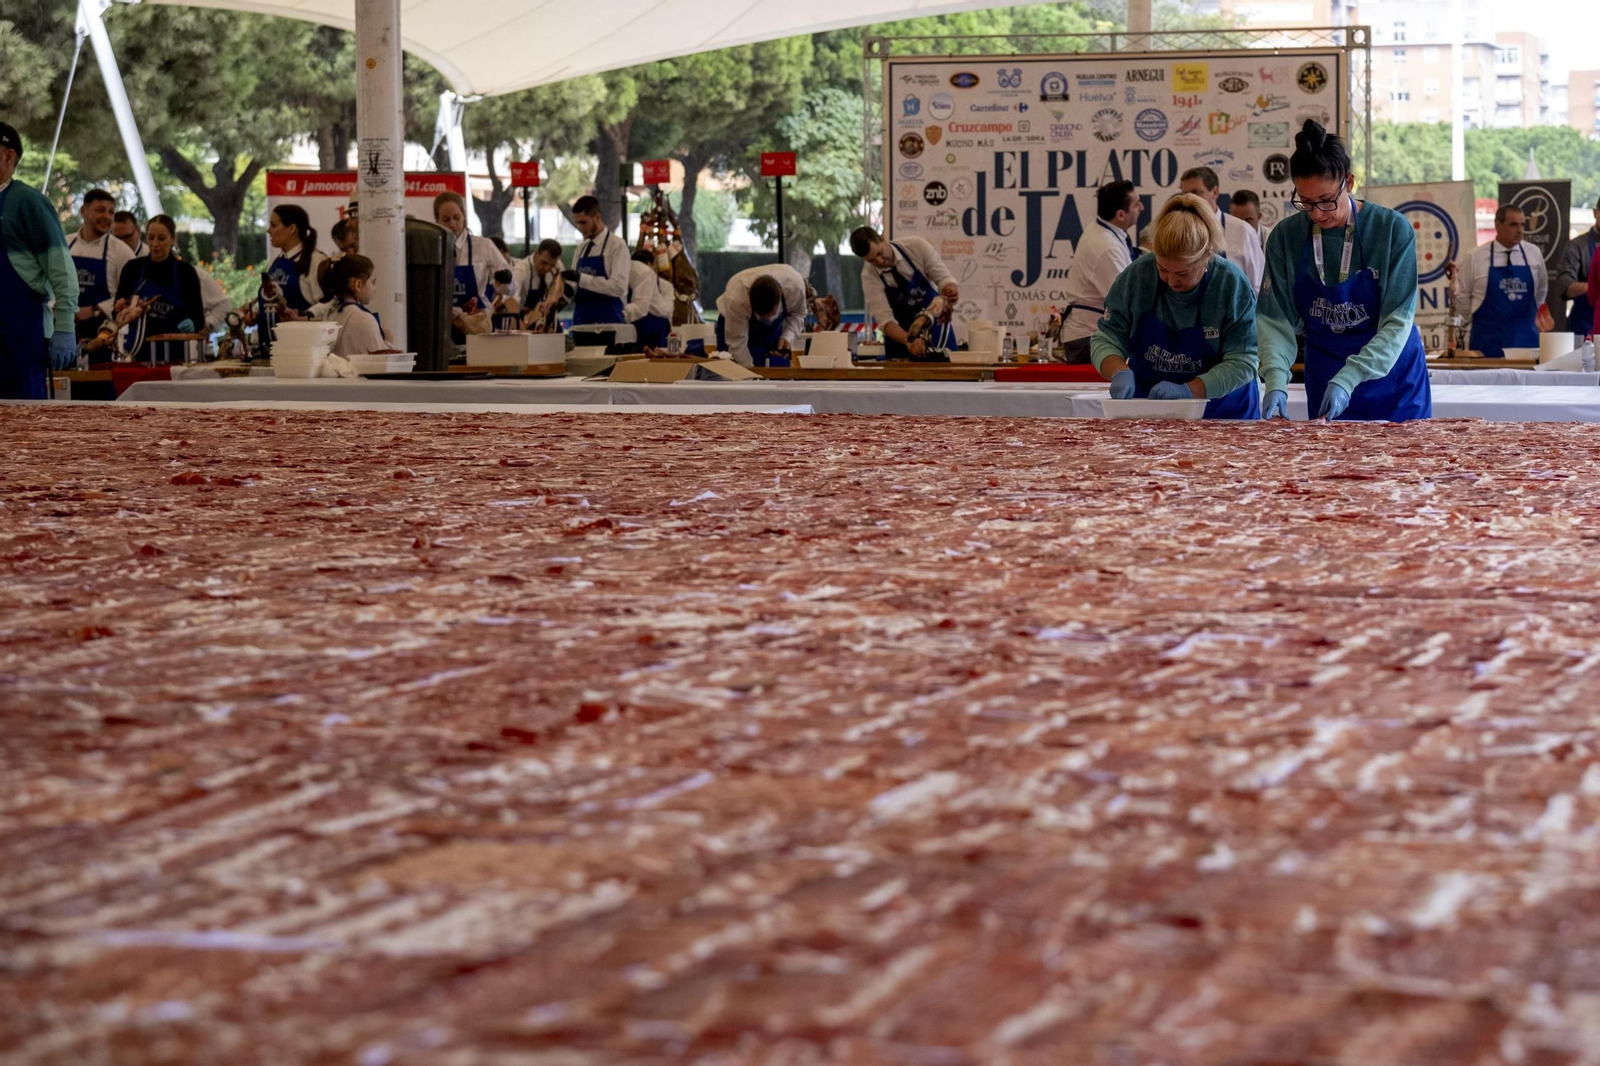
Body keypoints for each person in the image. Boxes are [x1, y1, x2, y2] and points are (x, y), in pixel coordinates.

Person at [1259, 120, 1430, 422]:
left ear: (1349, 183)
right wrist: (1275, 379)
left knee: (1404, 465)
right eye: (1306, 202)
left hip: (1393, 379)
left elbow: (1398, 320)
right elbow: (1275, 321)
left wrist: (1350, 376)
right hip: (1326, 372)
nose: (1316, 214)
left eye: (1326, 201)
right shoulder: (1286, 237)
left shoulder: (1391, 230)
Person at [1091, 194, 1259, 419]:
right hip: (1153, 405)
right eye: (1162, 269)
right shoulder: (1137, 278)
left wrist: (1188, 390)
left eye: (1182, 273)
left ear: (1207, 256)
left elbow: (1243, 360)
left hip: (1224, 407)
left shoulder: (1231, 285)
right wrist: (1118, 370)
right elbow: (1107, 338)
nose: (1171, 281)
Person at [0, 122, 78, 398]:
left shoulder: (27, 202)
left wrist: (66, 325)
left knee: (24, 427)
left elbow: (62, 270)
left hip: (22, 333)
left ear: (8, 157)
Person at [1059, 180, 1142, 364]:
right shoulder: (1106, 247)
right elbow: (1127, 304)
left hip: (1088, 337)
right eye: (1137, 204)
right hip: (1086, 341)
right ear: (1120, 214)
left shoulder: (1105, 234)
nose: (1142, 207)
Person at [1451, 204, 1547, 359]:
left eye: (1522, 224)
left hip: (1526, 342)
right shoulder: (1475, 257)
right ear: (1498, 225)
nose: (1520, 230)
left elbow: (1541, 291)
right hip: (1487, 342)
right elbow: (1462, 297)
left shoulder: (1533, 253)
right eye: (1514, 224)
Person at [851, 226, 959, 360]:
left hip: (936, 329)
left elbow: (944, 278)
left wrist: (950, 290)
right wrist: (909, 340)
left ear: (882, 238)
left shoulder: (916, 247)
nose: (879, 261)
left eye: (879, 253)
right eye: (871, 260)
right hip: (901, 340)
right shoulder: (869, 276)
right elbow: (885, 320)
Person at [111, 215, 207, 361]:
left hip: (175, 354)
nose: (155, 244)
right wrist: (120, 308)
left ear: (173, 239)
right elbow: (116, 313)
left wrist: (190, 325)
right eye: (151, 238)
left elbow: (199, 319)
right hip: (136, 353)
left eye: (161, 238)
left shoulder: (185, 272)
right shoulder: (133, 269)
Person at [433, 191, 512, 327]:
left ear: (464, 215)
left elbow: (509, 290)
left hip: (477, 324)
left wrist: (506, 279)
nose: (453, 224)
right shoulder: (432, 249)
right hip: (441, 324)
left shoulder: (484, 246)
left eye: (457, 217)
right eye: (446, 219)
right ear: (437, 220)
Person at [1179, 166, 1265, 292]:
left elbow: (1260, 286)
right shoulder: (1179, 232)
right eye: (1185, 194)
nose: (1190, 199)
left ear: (1214, 191)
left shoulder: (1242, 231)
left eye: (1197, 193)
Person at [66, 189, 136, 341]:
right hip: (63, 331)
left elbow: (129, 298)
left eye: (111, 212)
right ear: (83, 211)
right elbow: (48, 287)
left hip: (103, 336)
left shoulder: (122, 252)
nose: (107, 216)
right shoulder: (64, 245)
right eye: (100, 210)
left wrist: (93, 310)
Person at [715, 264, 808, 367]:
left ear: (781, 293)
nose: (766, 319)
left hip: (774, 330)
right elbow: (737, 345)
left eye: (771, 313)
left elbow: (798, 314)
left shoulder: (795, 287)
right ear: (749, 297)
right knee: (729, 370)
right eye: (761, 315)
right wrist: (751, 377)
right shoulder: (737, 299)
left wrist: (787, 336)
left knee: (777, 369)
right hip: (734, 326)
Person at [566, 195, 630, 326]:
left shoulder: (617, 246)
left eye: (583, 222)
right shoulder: (580, 249)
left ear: (597, 218)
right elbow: (573, 286)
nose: (580, 227)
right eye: (577, 223)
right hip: (581, 323)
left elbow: (618, 287)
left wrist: (582, 278)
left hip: (609, 323)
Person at [258, 205, 326, 320]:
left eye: (273, 225)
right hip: (270, 337)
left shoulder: (316, 261)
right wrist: (255, 313)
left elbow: (329, 304)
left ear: (292, 229)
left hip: (299, 336)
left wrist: (306, 315)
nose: (268, 230)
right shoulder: (276, 261)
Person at [324, 254, 393, 356]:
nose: (375, 289)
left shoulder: (330, 312)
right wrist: (388, 342)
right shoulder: (363, 319)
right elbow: (381, 363)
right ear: (358, 285)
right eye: (373, 282)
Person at [1550, 197, 1598, 341]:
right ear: (1595, 213)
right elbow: (1564, 284)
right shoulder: (1577, 246)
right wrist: (1592, 287)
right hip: (1584, 327)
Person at [513, 239, 567, 332]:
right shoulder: (521, 269)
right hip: (523, 318)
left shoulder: (558, 266)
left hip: (546, 318)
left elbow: (562, 286)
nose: (547, 268)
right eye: (544, 263)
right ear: (537, 253)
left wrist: (552, 298)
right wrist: (519, 324)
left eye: (551, 265)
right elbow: (512, 297)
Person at [625, 248, 673, 349]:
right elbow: (666, 309)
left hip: (652, 324)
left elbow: (664, 310)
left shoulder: (662, 284)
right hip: (642, 324)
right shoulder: (637, 273)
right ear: (652, 264)